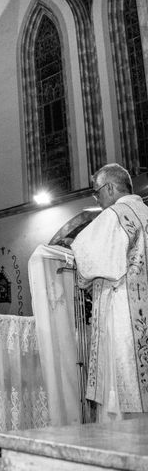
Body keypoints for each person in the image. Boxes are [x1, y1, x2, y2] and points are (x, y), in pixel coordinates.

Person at [72, 163, 148, 421]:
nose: (97, 198)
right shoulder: (145, 212)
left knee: (123, 373)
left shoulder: (114, 215)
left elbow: (88, 257)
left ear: (110, 188)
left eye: (97, 192)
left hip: (124, 309)